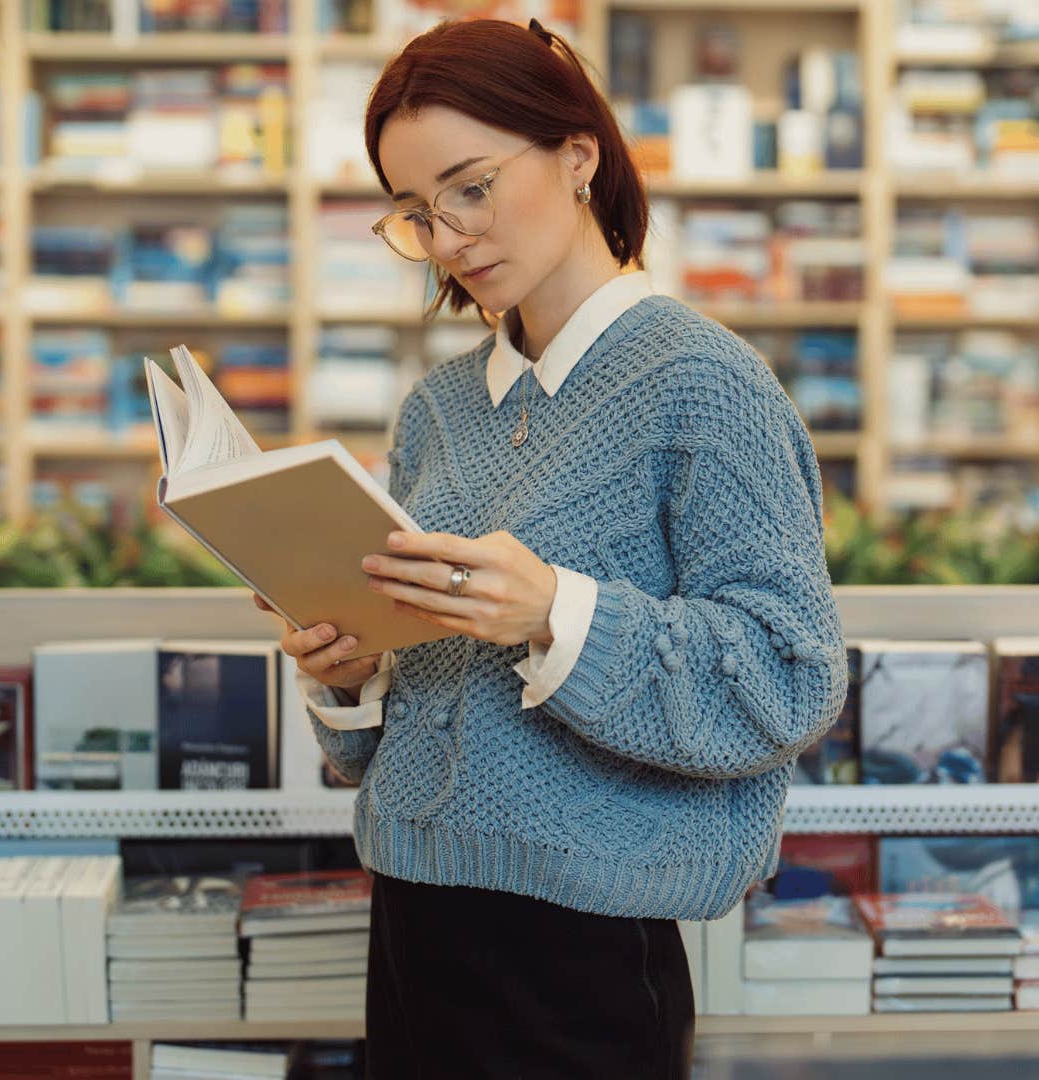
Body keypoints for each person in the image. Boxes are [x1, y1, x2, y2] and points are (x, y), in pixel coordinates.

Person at [257, 16, 847, 1077]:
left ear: (578, 155)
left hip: (585, 953)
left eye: (472, 188)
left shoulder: (703, 384)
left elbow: (788, 677)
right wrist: (349, 675)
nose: (448, 238)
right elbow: (382, 744)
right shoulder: (437, 410)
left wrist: (555, 613)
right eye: (415, 214)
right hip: (412, 925)